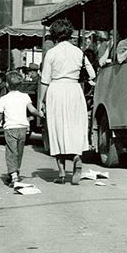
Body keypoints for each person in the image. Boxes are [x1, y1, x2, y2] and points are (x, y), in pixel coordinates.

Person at [38, 19, 96, 185]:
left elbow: (44, 80)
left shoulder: (51, 53)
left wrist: (41, 102)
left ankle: (62, 173)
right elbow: (91, 74)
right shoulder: (78, 52)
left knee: (57, 129)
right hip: (74, 90)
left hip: (56, 90)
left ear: (54, 35)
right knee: (75, 127)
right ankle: (77, 157)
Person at [0, 71, 41, 187]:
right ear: (20, 85)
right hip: (23, 128)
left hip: (10, 128)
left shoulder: (3, 99)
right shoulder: (25, 96)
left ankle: (14, 175)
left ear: (7, 85)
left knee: (11, 151)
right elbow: (32, 110)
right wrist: (40, 114)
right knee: (19, 151)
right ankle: (15, 171)